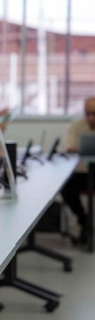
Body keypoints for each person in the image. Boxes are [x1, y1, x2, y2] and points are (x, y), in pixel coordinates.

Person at [59, 96, 95, 243]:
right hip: (82, 174)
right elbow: (67, 146)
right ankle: (84, 221)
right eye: (87, 113)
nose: (91, 118)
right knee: (65, 186)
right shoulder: (76, 126)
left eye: (94, 114)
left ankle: (86, 226)